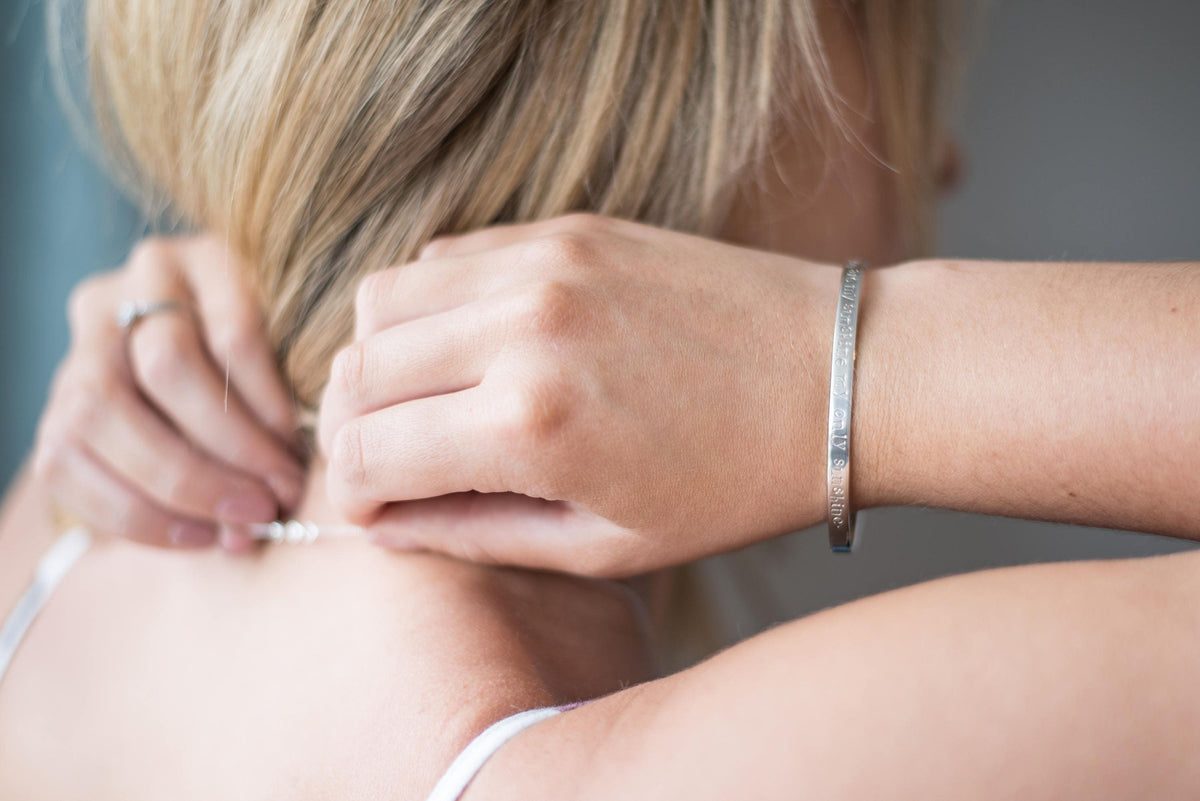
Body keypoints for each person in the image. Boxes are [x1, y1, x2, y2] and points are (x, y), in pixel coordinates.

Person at [3, 0, 1199, 799]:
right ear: (716, 102)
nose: (941, 154)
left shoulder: (51, 547)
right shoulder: (673, 770)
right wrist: (852, 368)